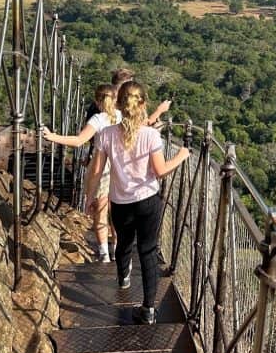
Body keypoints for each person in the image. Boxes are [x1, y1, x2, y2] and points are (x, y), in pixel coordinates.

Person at [81, 81, 188, 324]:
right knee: (148, 251)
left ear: (119, 105)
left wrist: (89, 197)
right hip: (148, 200)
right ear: (142, 105)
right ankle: (149, 309)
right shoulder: (151, 135)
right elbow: (160, 171)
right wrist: (181, 156)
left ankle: (123, 279)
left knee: (124, 243)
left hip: (120, 201)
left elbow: (96, 170)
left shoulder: (106, 134)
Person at [43, 83, 120, 261]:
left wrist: (52, 136)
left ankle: (104, 254)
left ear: (97, 100)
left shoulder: (98, 120)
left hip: (101, 166)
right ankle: (118, 249)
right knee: (117, 212)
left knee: (100, 211)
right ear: (115, 99)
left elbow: (79, 141)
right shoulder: (122, 116)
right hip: (121, 167)